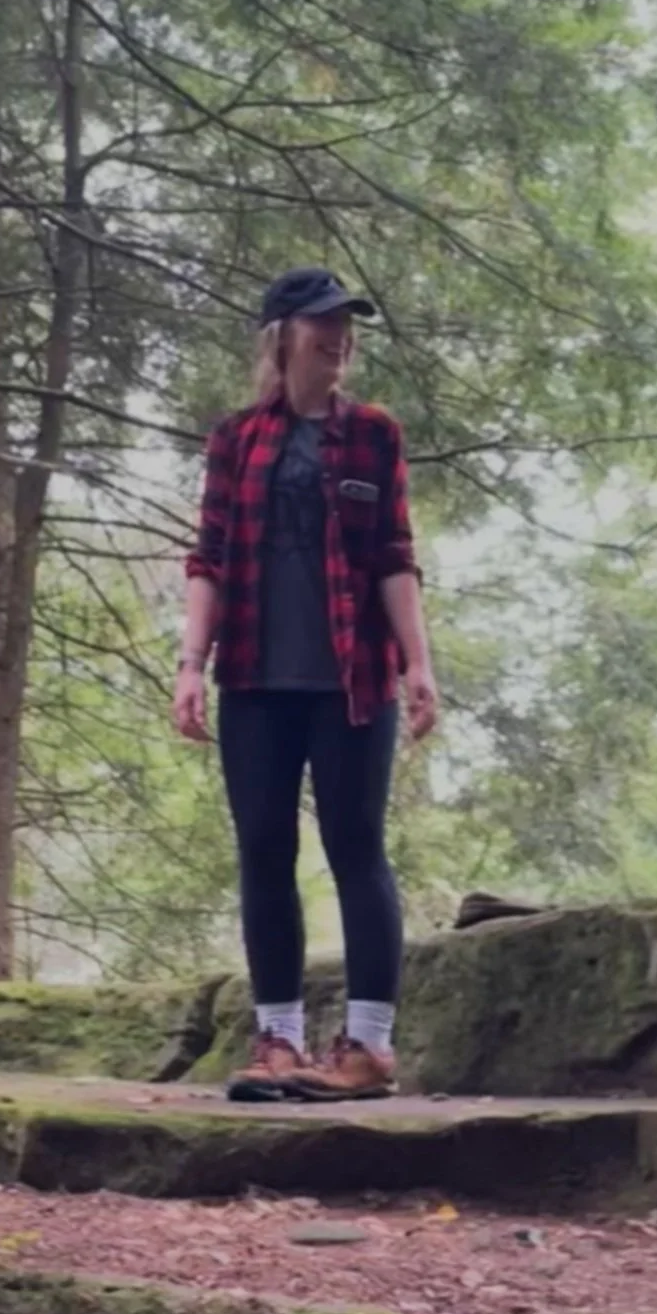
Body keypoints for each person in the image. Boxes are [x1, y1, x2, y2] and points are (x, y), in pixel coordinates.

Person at [174, 267, 440, 1100]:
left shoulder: (373, 436)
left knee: (357, 849)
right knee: (264, 852)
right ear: (282, 335)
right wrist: (190, 665)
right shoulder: (237, 440)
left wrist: (420, 663)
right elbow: (210, 558)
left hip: (355, 680)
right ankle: (279, 1041)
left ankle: (367, 1048)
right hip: (253, 677)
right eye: (324, 322)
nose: (341, 336)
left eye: (347, 323)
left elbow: (395, 556)